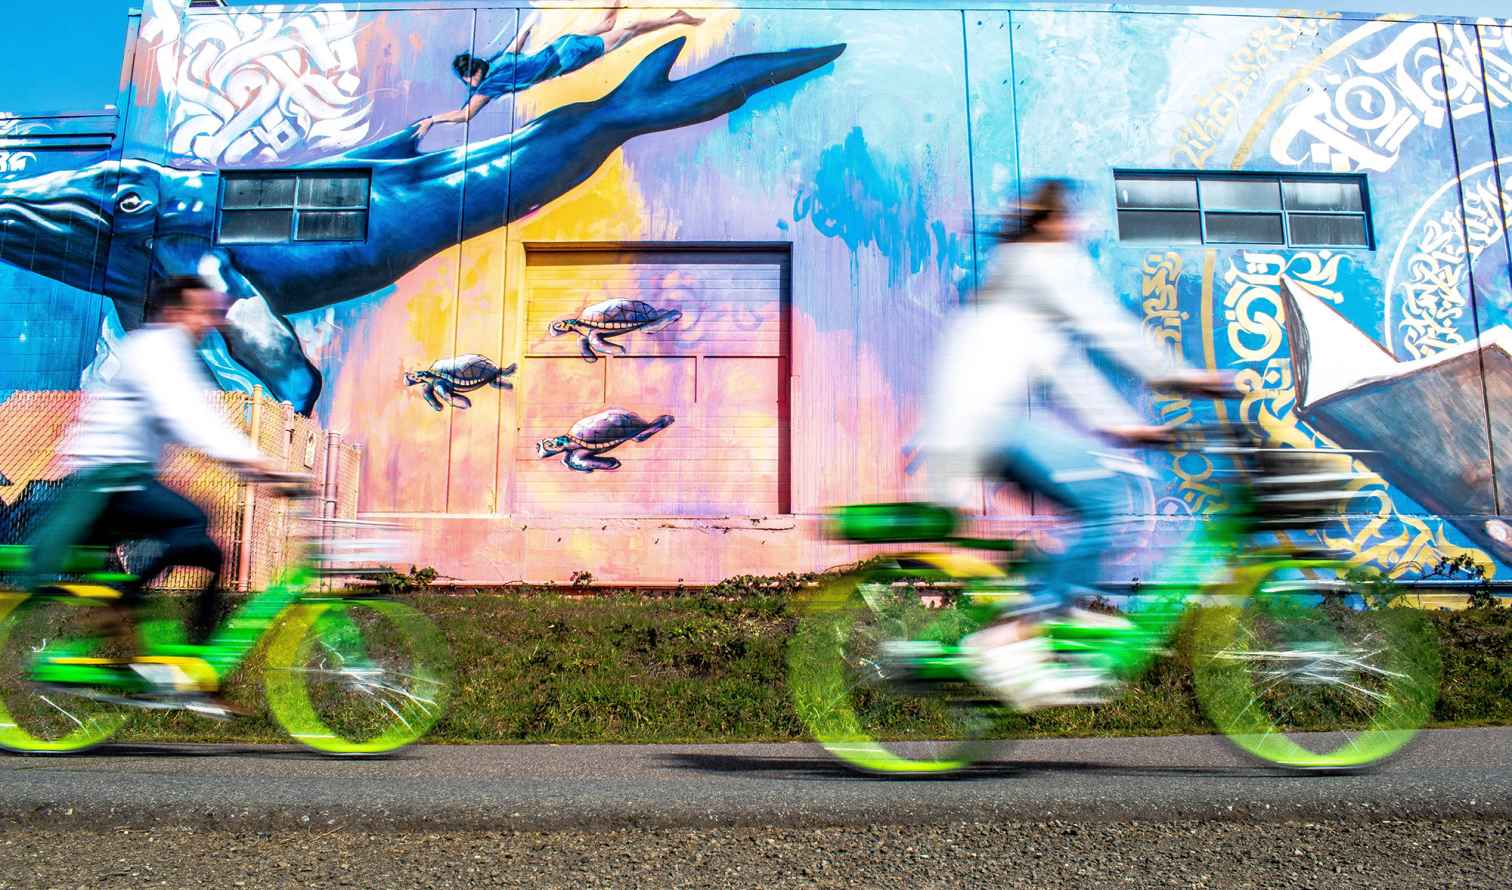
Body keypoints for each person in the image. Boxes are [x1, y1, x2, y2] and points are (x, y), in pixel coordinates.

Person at [920, 179, 1231, 710]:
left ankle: (1047, 610)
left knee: (1114, 491)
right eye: (1073, 218)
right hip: (988, 424)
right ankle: (1014, 634)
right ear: (1049, 223)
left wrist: (1128, 427)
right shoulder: (1040, 263)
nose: (1081, 229)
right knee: (1107, 501)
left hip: (982, 425)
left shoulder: (1020, 281)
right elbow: (1109, 330)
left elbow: (1064, 367)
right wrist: (1185, 377)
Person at [26, 275, 285, 697]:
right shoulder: (155, 349)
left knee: (205, 548)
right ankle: (122, 601)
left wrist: (248, 460)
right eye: (203, 312)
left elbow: (197, 420)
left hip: (119, 479)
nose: (211, 321)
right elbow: (185, 416)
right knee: (192, 522)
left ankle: (191, 664)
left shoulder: (168, 353)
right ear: (175, 312)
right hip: (106, 481)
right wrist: (257, 464)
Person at [416, 4, 705, 138]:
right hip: (561, 46)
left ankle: (675, 18)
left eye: (466, 79)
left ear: (470, 76)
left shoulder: (490, 86)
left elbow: (465, 115)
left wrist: (432, 120)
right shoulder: (498, 64)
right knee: (607, 26)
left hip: (568, 58)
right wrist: (528, 25)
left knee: (627, 31)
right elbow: (516, 46)